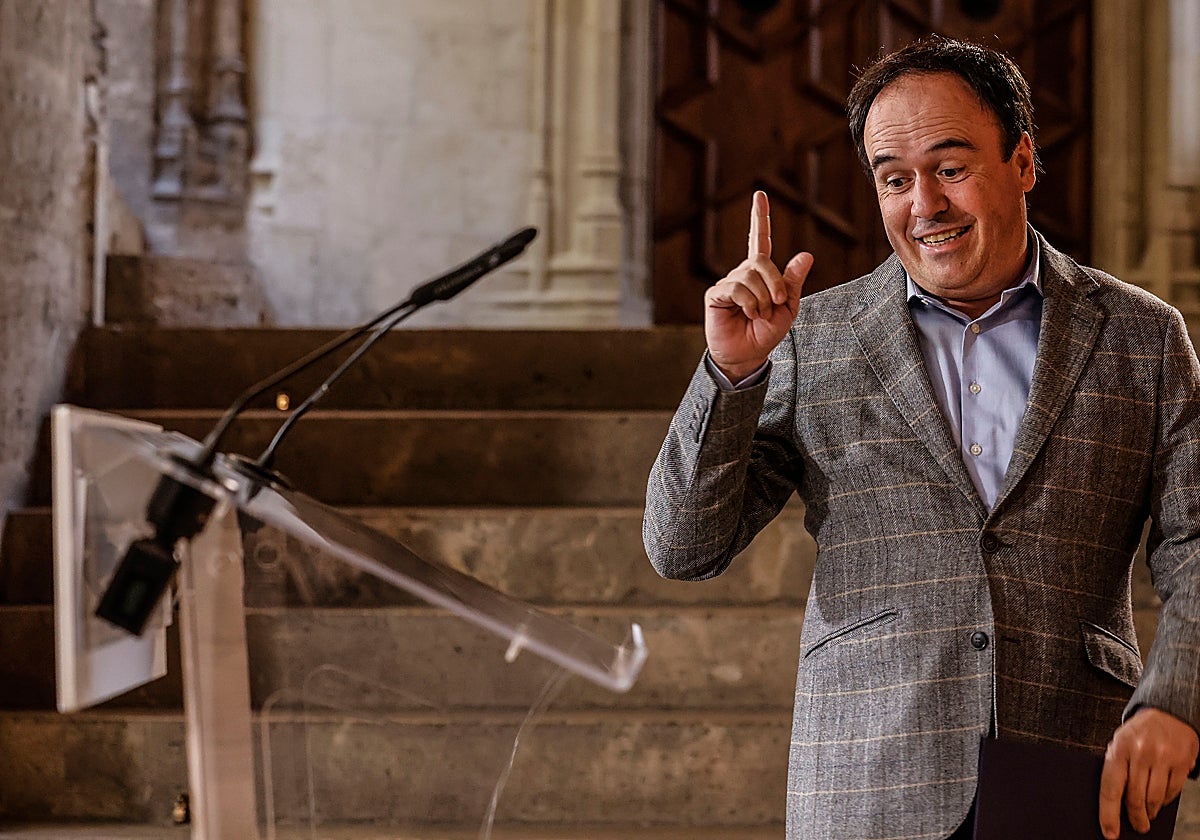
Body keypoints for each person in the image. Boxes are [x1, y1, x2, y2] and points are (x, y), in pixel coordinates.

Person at [643, 36, 1200, 840]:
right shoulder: (810, 339)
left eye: (951, 166)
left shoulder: (1141, 337)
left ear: (1023, 162)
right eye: (894, 179)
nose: (924, 205)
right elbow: (682, 546)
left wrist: (1176, 701)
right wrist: (729, 374)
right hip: (868, 781)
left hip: (1077, 777)